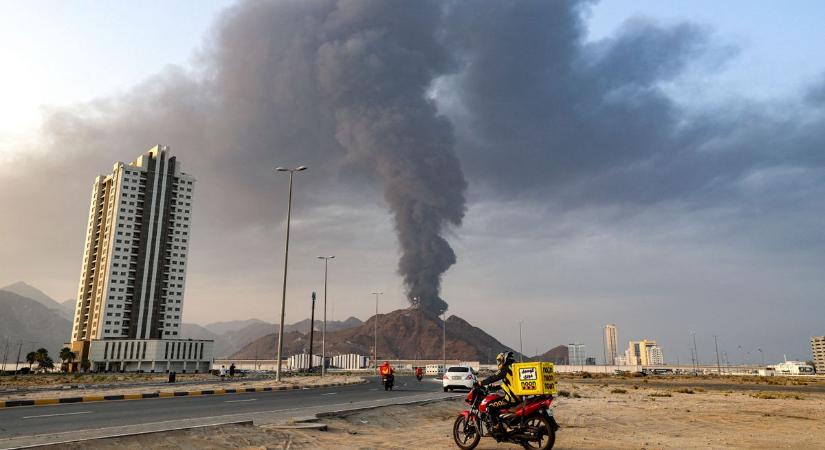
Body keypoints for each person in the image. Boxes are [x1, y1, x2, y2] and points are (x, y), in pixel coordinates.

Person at [477, 351, 519, 435]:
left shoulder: (505, 368)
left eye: (500, 360)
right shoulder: (513, 368)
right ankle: (506, 425)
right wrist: (496, 387)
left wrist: (481, 383)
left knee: (490, 407)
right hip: (519, 397)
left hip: (511, 399)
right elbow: (508, 383)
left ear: (504, 359)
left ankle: (497, 428)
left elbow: (494, 377)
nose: (499, 363)